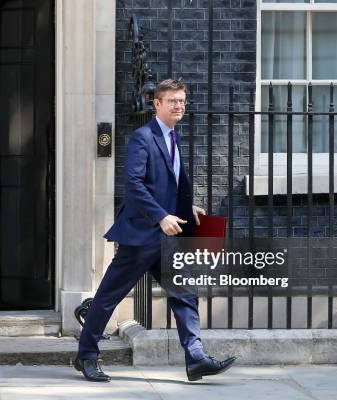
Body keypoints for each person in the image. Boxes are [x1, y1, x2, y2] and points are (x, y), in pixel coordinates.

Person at [74, 79, 236, 382]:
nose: (179, 106)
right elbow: (133, 185)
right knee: (109, 297)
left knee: (185, 293)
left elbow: (165, 184)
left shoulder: (172, 138)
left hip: (166, 238)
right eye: (172, 101)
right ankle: (86, 357)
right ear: (157, 104)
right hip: (141, 235)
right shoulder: (142, 137)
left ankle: (196, 357)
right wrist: (161, 216)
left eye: (182, 101)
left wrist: (187, 210)